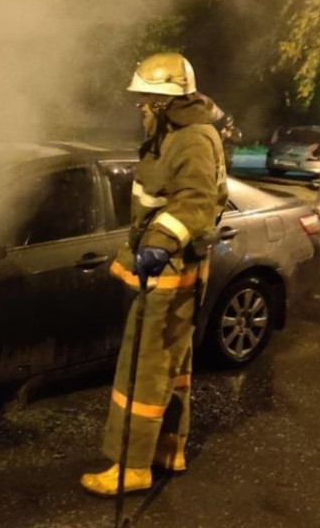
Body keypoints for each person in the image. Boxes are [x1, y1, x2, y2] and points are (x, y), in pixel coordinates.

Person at [80, 53, 228, 496]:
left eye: (146, 101)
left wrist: (160, 244)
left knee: (141, 372)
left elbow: (195, 203)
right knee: (172, 367)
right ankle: (168, 448)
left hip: (170, 275)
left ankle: (131, 466)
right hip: (175, 271)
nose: (141, 109)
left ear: (166, 103)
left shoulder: (192, 140)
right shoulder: (176, 133)